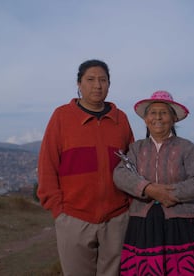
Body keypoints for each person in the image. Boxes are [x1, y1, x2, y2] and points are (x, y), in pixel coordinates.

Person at [37, 59, 134, 276]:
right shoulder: (62, 116)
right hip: (73, 217)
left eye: (103, 80)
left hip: (117, 218)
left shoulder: (121, 119)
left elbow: (132, 165)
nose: (97, 85)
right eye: (90, 80)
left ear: (109, 84)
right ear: (79, 84)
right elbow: (47, 164)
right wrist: (58, 210)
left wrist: (129, 205)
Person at [113, 90, 194, 275]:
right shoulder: (136, 148)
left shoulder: (186, 148)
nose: (158, 118)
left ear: (173, 119)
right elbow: (120, 174)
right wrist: (148, 189)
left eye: (164, 113)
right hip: (144, 225)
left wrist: (170, 194)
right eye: (153, 113)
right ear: (146, 119)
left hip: (182, 225)